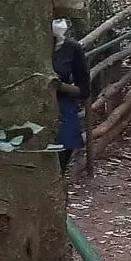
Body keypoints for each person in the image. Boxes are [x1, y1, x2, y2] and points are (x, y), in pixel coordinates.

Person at [52, 18, 91, 174]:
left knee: (58, 166)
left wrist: (59, 86)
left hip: (63, 110)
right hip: (30, 110)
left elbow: (84, 91)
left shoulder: (71, 48)